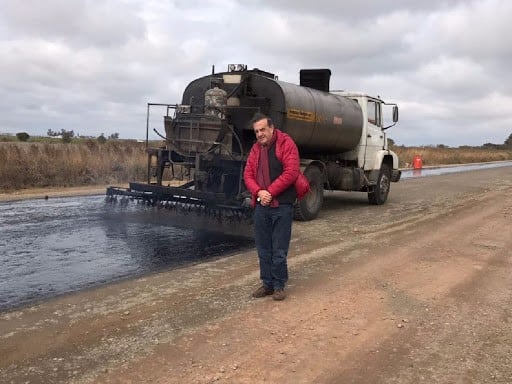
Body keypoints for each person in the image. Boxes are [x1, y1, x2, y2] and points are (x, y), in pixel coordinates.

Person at [244, 112, 308, 301]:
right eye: (256, 131)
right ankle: (267, 284)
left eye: (263, 129)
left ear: (271, 128)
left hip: (282, 205)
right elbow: (248, 175)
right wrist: (259, 192)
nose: (260, 134)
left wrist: (270, 191)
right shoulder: (256, 149)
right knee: (263, 248)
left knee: (279, 249)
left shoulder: (286, 144)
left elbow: (291, 172)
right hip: (262, 205)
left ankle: (279, 285)